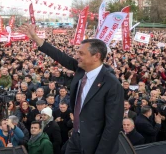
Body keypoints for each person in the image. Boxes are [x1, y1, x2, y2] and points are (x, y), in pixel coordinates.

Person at [20, 24, 124, 154]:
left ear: (96, 56)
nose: (77, 56)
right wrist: (35, 38)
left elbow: (113, 125)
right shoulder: (81, 70)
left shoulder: (111, 84)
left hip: (95, 142)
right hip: (76, 137)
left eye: (81, 53)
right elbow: (59, 56)